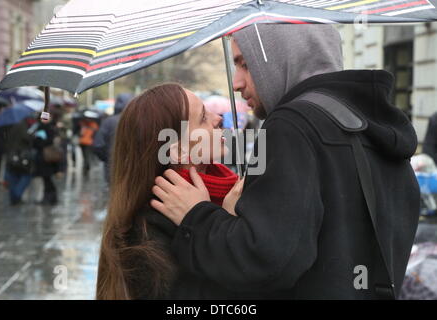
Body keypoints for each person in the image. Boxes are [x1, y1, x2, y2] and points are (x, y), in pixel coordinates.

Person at [150, 25, 420, 299]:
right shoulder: (370, 124)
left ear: (282, 58)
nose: (236, 83)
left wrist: (197, 217)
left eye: (245, 64)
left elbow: (267, 261)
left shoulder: (293, 124)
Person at [96, 83, 243, 299]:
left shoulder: (230, 190)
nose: (218, 118)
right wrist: (214, 223)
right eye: (203, 118)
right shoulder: (146, 235)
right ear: (177, 150)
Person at [93, 93, 133, 184]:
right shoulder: (139, 121)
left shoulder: (108, 122)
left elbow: (98, 145)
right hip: (133, 167)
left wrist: (108, 159)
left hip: (112, 166)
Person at [4, 117, 35, 205]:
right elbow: (26, 137)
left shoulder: (10, 123)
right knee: (26, 176)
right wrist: (32, 135)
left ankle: (14, 198)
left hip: (11, 153)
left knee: (13, 176)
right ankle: (16, 195)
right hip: (20, 154)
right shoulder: (22, 124)